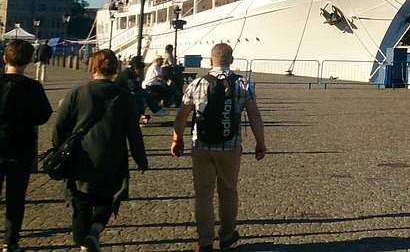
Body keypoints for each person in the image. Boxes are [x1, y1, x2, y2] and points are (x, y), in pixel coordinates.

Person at [171, 43, 267, 252]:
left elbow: (181, 117)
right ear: (231, 60)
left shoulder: (196, 84)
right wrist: (260, 142)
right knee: (229, 190)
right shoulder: (243, 85)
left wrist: (177, 138)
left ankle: (205, 241)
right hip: (230, 147)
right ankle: (227, 235)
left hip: (202, 146)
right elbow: (254, 116)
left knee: (203, 195)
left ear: (210, 59)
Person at [51, 49, 148, 252]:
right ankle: (95, 231)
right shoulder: (124, 96)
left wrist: (59, 149)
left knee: (80, 204)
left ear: (92, 67)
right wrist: (140, 158)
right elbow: (133, 131)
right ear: (115, 69)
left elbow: (60, 126)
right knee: (108, 198)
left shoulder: (77, 92)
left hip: (80, 156)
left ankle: (83, 242)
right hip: (112, 156)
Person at [0, 40, 53, 251]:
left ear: (5, 58)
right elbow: (43, 116)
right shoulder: (33, 87)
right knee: (16, 197)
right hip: (20, 148)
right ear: (30, 61)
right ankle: (10, 242)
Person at [115, 56, 158, 124]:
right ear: (135, 68)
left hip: (127, 93)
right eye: (140, 70)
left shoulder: (135, 74)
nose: (141, 71)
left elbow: (138, 86)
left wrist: (141, 78)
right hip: (119, 95)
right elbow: (133, 87)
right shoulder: (127, 74)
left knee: (142, 94)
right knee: (139, 95)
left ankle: (144, 113)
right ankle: (155, 110)